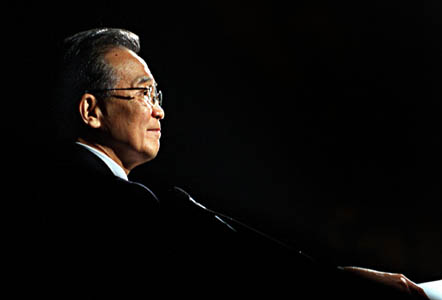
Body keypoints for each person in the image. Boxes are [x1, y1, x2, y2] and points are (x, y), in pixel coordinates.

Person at [32, 27, 429, 299]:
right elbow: (240, 272)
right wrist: (342, 286)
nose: (159, 113)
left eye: (158, 97)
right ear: (91, 110)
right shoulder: (110, 204)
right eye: (143, 93)